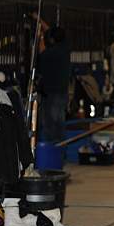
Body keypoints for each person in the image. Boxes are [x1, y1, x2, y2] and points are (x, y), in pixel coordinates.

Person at [32, 13, 71, 143]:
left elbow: (41, 50)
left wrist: (40, 36)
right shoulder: (65, 47)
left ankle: (52, 149)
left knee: (50, 123)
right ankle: (59, 149)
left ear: (53, 40)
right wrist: (39, 20)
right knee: (59, 121)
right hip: (62, 92)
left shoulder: (51, 53)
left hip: (52, 93)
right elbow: (50, 31)